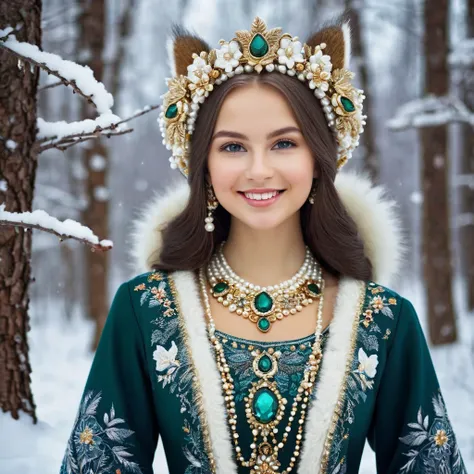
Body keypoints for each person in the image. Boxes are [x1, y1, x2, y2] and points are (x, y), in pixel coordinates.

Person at [59, 17, 467, 474]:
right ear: (203, 165)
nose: (258, 170)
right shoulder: (145, 311)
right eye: (233, 147)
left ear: (319, 158)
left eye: (284, 144)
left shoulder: (385, 321)